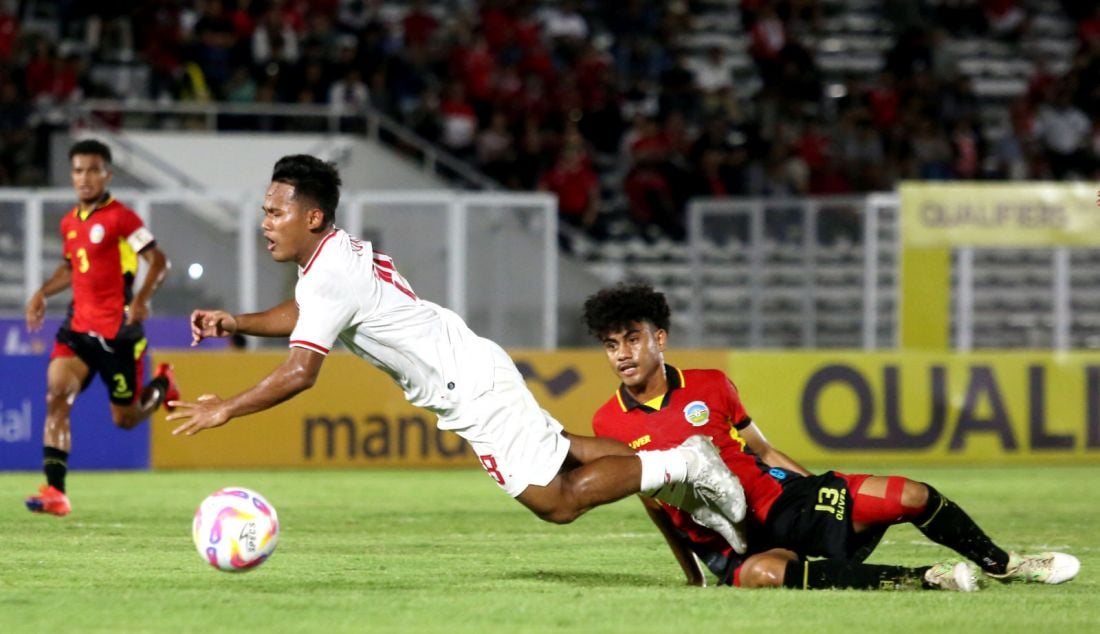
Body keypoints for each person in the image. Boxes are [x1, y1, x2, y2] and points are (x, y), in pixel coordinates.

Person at [166, 154, 748, 542]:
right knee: (564, 450)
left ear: (312, 215)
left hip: (468, 384)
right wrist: (235, 322)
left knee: (558, 502)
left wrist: (227, 408)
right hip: (468, 370)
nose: (265, 223)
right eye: (265, 211)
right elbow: (309, 316)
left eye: (275, 212)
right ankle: (683, 485)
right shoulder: (328, 261)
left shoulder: (328, 274)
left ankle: (683, 463)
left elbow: (299, 372)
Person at [584, 282, 1081, 591]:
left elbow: (763, 450)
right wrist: (692, 574)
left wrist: (821, 484)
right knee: (766, 576)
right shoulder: (609, 424)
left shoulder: (712, 383)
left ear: (660, 339)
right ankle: (926, 580)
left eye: (633, 339)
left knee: (910, 495)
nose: (623, 354)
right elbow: (653, 502)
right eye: (611, 345)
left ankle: (1003, 564)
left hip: (780, 502)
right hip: (725, 543)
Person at [24, 139, 180, 517]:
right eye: (78, 170)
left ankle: (162, 386)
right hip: (78, 330)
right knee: (57, 394)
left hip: (119, 335)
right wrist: (42, 292)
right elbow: (71, 267)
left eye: (93, 170)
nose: (84, 177)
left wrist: (141, 299)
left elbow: (159, 262)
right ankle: (55, 492)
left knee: (125, 420)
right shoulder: (68, 223)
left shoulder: (121, 218)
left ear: (107, 174)